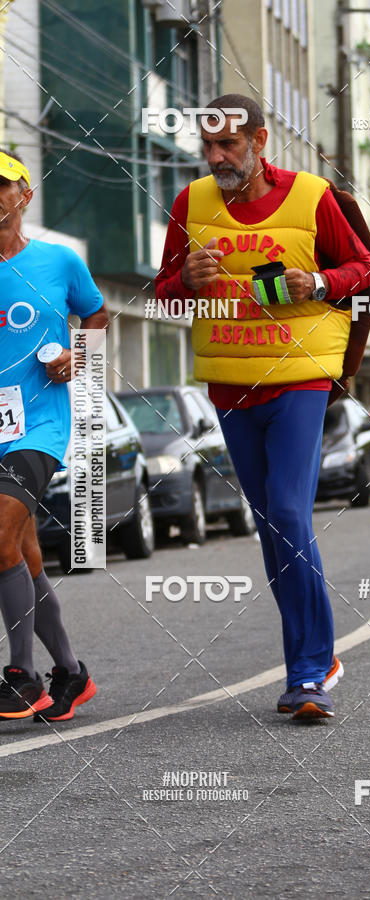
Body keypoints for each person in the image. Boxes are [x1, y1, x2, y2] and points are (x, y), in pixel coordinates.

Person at [156, 95, 370, 719]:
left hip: (300, 381)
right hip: (231, 388)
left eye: (228, 145)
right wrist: (185, 283)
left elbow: (364, 266)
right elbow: (165, 298)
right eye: (209, 146)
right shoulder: (190, 204)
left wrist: (322, 283)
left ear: (259, 141)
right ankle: (311, 662)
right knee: (270, 526)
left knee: (287, 511)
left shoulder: (311, 196)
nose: (216, 157)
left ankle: (310, 670)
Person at [0, 149, 108, 720]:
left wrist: (77, 358)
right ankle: (70, 672)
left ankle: (22, 676)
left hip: (40, 423)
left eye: (2, 184)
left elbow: (97, 316)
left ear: (24, 196)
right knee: (22, 552)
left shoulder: (59, 262)